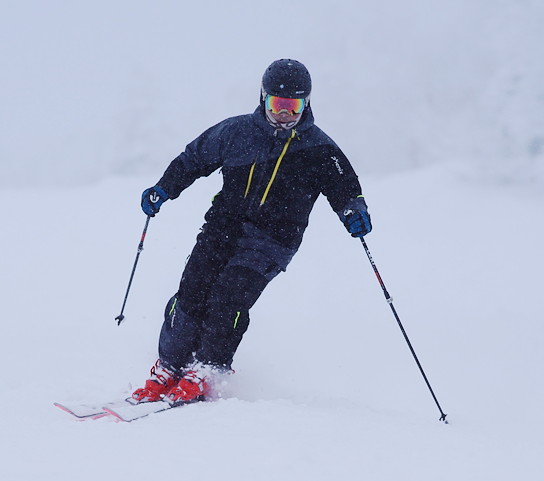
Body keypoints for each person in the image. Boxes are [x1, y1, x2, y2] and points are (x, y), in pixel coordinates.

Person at [130, 59, 372, 405]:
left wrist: (354, 212)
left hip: (273, 240)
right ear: (263, 99)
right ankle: (170, 365)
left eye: (294, 106)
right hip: (221, 228)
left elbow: (346, 187)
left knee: (228, 297)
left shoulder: (319, 149)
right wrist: (163, 188)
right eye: (278, 105)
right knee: (192, 290)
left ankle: (209, 368)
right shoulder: (235, 132)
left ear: (306, 104)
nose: (285, 114)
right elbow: (192, 159)